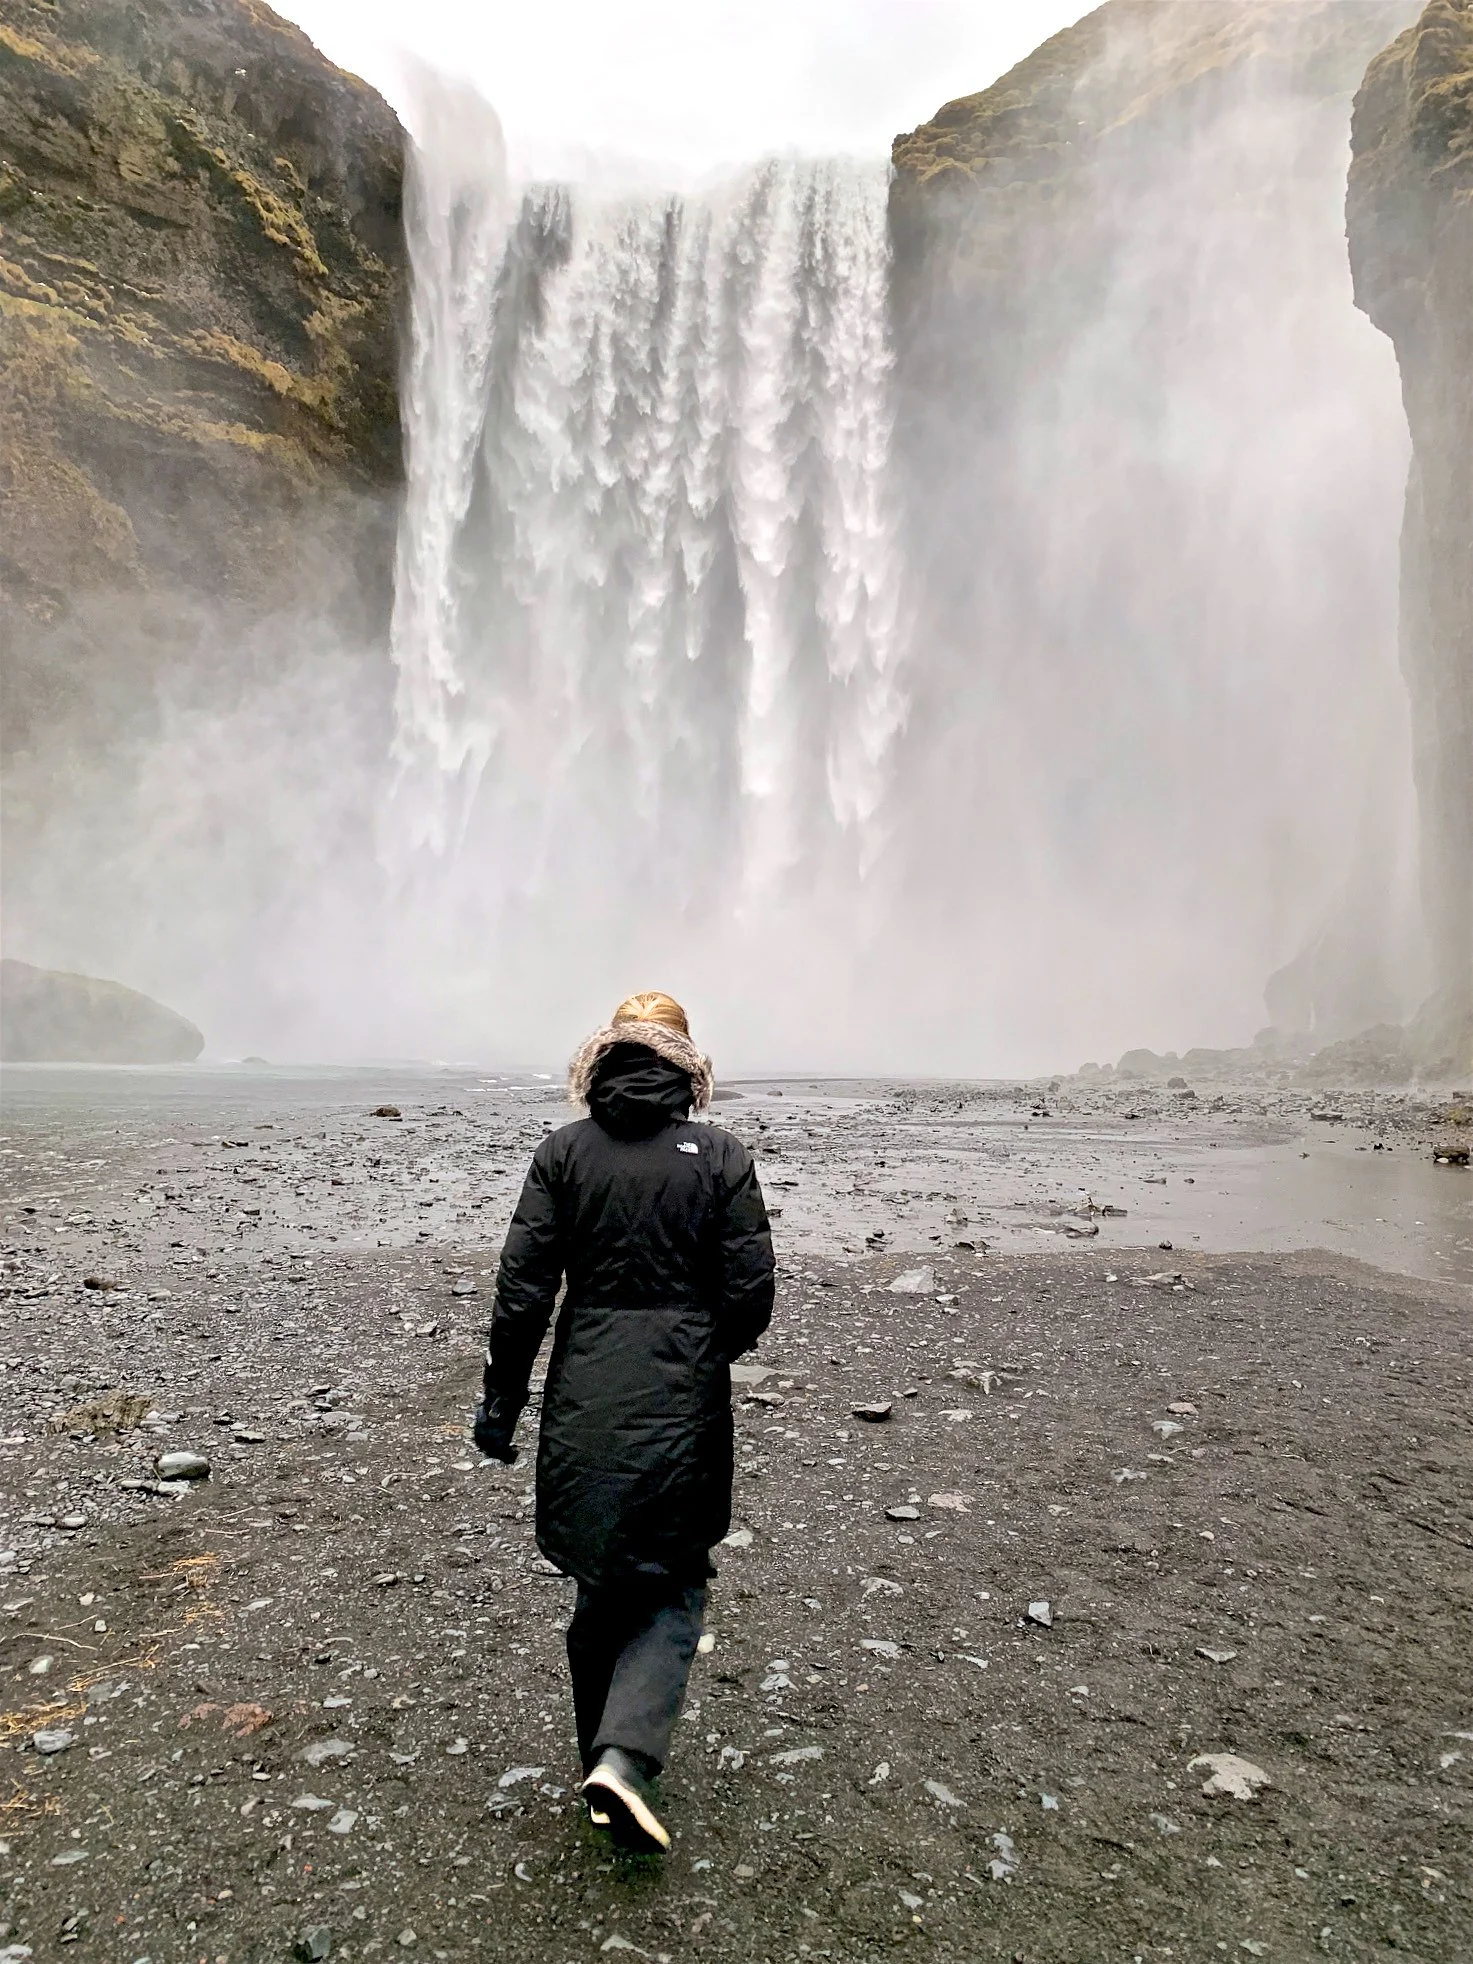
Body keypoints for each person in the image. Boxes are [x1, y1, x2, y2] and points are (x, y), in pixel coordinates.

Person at [473, 992, 775, 1852]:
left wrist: (502, 1404)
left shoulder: (563, 1152)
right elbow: (750, 1289)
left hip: (585, 1387)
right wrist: (702, 1348)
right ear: (687, 1067)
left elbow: (524, 1289)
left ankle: (599, 1765)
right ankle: (625, 1760)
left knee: (601, 1575)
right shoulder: (717, 1155)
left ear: (600, 1061)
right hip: (680, 1388)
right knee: (675, 1574)